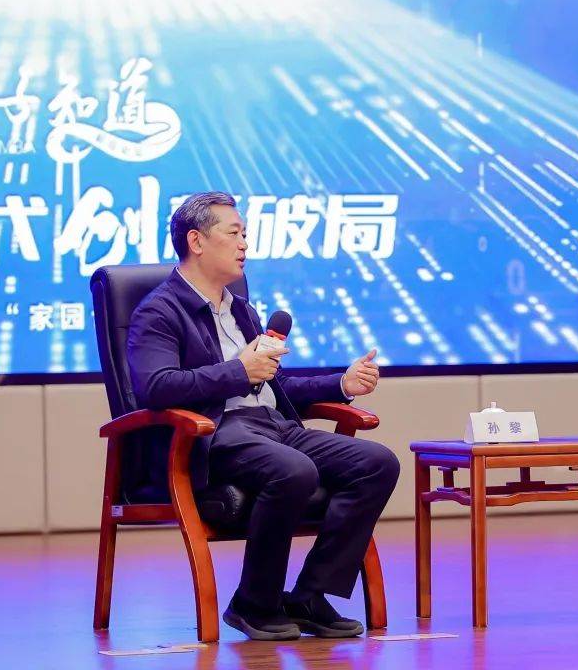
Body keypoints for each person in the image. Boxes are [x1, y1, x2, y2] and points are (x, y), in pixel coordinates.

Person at [126, 191, 400, 641]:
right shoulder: (160, 311)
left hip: (273, 426)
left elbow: (276, 386)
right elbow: (156, 387)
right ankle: (254, 603)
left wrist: (341, 384)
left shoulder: (242, 310)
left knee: (376, 463)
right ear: (196, 241)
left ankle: (310, 596)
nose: (244, 244)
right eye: (234, 233)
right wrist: (237, 371)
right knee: (294, 470)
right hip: (214, 433)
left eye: (245, 234)